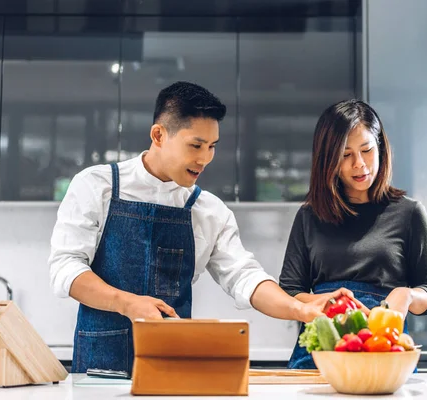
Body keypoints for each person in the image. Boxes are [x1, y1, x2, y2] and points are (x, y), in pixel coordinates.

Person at [48, 82, 356, 374]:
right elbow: (66, 268)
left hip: (173, 367)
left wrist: (298, 309)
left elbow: (244, 278)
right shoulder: (97, 186)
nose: (205, 158)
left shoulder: (209, 210)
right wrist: (125, 302)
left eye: (212, 146)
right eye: (196, 145)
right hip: (98, 371)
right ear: (158, 135)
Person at [279, 99, 427, 369]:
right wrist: (327, 302)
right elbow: (290, 292)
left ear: (380, 147)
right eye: (345, 155)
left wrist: (407, 296)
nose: (359, 164)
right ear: (328, 160)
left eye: (366, 150)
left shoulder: (410, 213)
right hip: (322, 349)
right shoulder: (309, 216)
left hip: (383, 345)